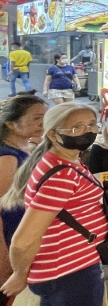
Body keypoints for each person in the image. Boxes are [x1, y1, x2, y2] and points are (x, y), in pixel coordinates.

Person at [0, 103, 106, 306]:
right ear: (53, 134)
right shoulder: (61, 174)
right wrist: (19, 273)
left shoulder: (60, 159)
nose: (87, 131)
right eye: (76, 127)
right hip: (70, 271)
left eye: (92, 125)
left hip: (58, 268)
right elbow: (23, 240)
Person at [0, 96, 46, 288]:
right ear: (11, 123)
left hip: (25, 235)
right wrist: (4, 262)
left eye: (45, 116)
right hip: (11, 239)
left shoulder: (26, 145)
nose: (43, 122)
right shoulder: (7, 158)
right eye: (36, 118)